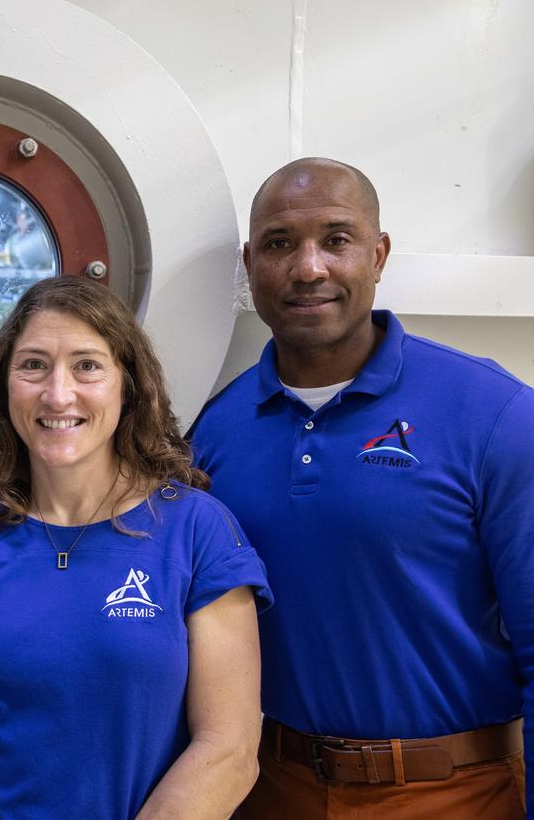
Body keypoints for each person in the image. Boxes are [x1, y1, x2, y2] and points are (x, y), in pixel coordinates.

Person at [188, 157, 534, 819]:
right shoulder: (212, 432)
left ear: (378, 255)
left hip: (458, 794)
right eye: (280, 243)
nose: (308, 267)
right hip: (269, 790)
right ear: (250, 263)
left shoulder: (493, 414)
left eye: (337, 239)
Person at [0, 275, 272, 819]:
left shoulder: (198, 532)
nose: (57, 394)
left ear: (128, 383)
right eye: (32, 365)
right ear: (6, 386)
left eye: (87, 365)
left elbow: (229, 749)